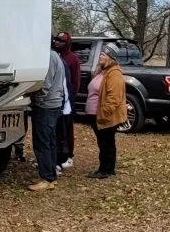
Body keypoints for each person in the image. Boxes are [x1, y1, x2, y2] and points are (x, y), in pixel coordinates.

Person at [29, 46, 66, 191]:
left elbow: (46, 84)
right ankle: (50, 176)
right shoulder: (55, 56)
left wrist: (35, 99)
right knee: (50, 142)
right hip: (53, 105)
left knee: (42, 142)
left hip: (46, 106)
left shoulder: (49, 57)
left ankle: (46, 178)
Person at [90, 42, 127, 179]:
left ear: (110, 57)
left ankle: (106, 169)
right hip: (99, 115)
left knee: (107, 143)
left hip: (106, 117)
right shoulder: (104, 71)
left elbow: (114, 98)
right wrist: (99, 67)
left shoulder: (115, 74)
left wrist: (103, 115)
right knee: (104, 142)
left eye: (103, 54)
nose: (100, 56)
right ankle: (105, 168)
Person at [52, 33, 81, 169]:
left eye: (61, 41)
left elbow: (75, 82)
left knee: (67, 129)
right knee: (57, 130)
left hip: (67, 101)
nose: (58, 43)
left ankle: (69, 155)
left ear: (67, 43)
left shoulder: (72, 59)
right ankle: (56, 156)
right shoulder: (54, 56)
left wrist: (70, 99)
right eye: (56, 40)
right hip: (56, 100)